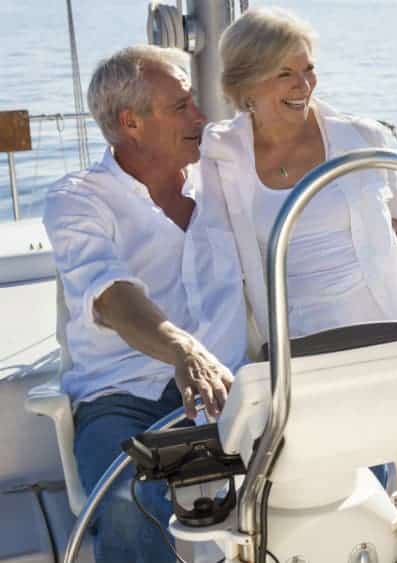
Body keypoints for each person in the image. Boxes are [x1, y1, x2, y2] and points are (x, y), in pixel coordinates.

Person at [43, 45, 245, 562]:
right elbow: (111, 296)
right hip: (122, 396)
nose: (201, 117)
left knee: (336, 460)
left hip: (233, 390)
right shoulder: (77, 200)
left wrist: (391, 227)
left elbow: (299, 145)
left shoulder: (225, 173)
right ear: (131, 122)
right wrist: (184, 351)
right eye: (181, 106)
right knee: (128, 500)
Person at [201, 7, 397, 349]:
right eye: (285, 73)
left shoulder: (361, 138)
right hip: (298, 343)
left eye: (309, 69)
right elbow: (216, 264)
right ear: (247, 83)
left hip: (393, 327)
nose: (303, 85)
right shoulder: (220, 154)